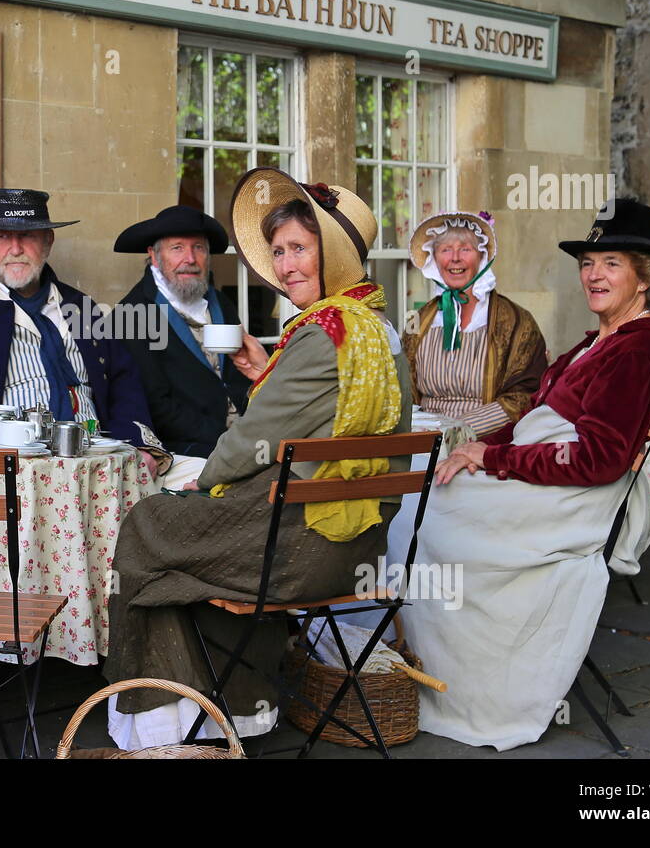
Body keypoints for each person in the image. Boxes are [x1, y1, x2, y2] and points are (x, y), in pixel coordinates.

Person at [102, 169, 414, 747]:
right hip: (359, 546)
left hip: (302, 548)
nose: (287, 265)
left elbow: (250, 441)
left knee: (147, 525)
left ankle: (165, 721)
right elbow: (301, 418)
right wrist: (260, 375)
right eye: (278, 252)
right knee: (176, 562)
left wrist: (206, 483)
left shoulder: (326, 333)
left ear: (337, 256)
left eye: (300, 249)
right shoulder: (378, 327)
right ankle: (226, 710)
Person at [404, 198, 650, 751]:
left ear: (644, 280)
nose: (594, 275)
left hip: (573, 504)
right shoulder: (600, 341)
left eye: (611, 264)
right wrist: (480, 447)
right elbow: (535, 414)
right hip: (548, 485)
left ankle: (460, 687)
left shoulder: (640, 351)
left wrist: (496, 459)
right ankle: (410, 672)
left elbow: (597, 460)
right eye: (588, 263)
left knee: (420, 517)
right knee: (423, 483)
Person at [0, 188, 168, 472]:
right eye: (3, 237)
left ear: (48, 242)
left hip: (94, 459)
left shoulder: (81, 307)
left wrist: (138, 444)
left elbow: (123, 384)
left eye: (27, 236)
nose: (15, 249)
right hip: (2, 465)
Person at [113, 205, 254, 479]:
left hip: (244, 441)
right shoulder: (131, 315)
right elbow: (158, 406)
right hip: (188, 450)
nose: (190, 258)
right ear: (154, 256)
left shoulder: (220, 303)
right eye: (177, 248)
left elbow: (239, 376)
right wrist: (227, 440)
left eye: (199, 248)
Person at [402, 210, 547, 438]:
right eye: (445, 250)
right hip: (424, 444)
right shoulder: (419, 321)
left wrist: (457, 432)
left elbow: (525, 395)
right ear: (434, 258)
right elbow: (403, 389)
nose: (455, 258)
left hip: (487, 444)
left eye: (465, 249)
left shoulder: (516, 322)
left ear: (482, 257)